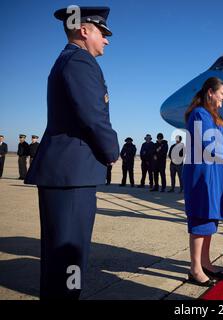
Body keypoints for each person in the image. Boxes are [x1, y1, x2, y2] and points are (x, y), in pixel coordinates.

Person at [25, 6, 119, 300]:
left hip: (67, 172)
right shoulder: (80, 61)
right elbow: (93, 115)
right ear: (84, 30)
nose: (106, 40)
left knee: (61, 257)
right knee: (70, 255)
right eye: (102, 33)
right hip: (72, 175)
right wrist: (111, 151)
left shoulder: (69, 60)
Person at [183, 77, 223, 287]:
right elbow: (209, 145)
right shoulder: (199, 115)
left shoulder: (212, 116)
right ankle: (195, 269)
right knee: (201, 220)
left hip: (214, 175)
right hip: (203, 177)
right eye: (222, 93)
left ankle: (205, 262)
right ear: (210, 93)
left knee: (210, 220)